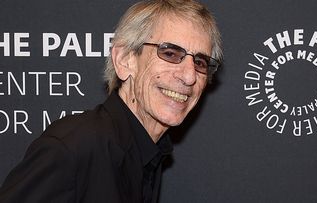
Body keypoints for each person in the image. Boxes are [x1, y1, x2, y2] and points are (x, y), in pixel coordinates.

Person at [0, 0, 222, 202]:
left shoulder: (148, 153)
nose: (190, 76)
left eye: (200, 62)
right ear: (125, 60)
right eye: (171, 53)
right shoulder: (74, 149)